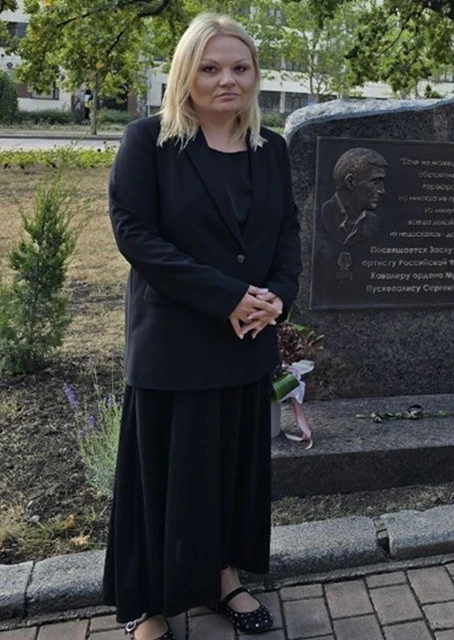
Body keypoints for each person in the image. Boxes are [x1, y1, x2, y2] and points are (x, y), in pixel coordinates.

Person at [104, 14, 301, 639]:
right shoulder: (149, 142)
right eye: (210, 68)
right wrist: (227, 298)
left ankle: (224, 579)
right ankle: (152, 603)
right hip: (175, 343)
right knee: (165, 477)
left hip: (245, 345)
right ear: (186, 74)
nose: (227, 81)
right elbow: (135, 235)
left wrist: (279, 300)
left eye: (239, 68)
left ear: (254, 76)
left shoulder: (271, 150)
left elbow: (288, 235)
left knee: (232, 472)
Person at [319, 147, 388, 246]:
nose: (382, 191)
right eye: (375, 182)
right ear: (350, 182)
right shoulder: (325, 213)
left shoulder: (373, 222)